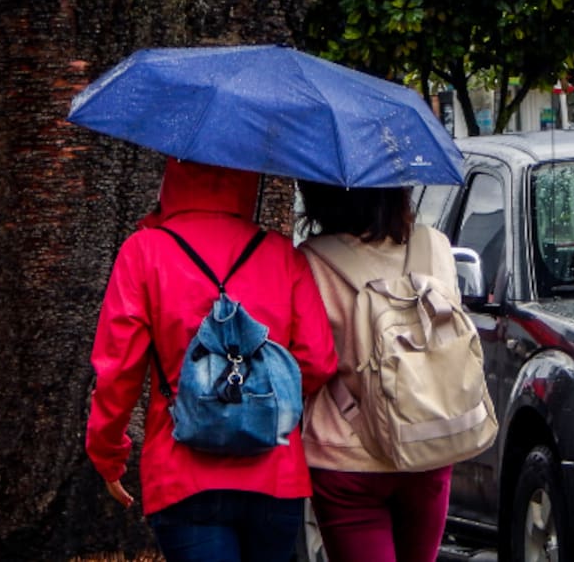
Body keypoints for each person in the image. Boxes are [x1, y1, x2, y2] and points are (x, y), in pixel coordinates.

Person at [85, 158, 337, 562]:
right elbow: (318, 359)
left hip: (182, 472)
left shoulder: (145, 252)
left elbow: (118, 370)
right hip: (274, 473)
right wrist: (259, 399)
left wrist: (108, 452)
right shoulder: (280, 254)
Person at [296, 181, 459, 562]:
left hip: (347, 455)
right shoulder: (434, 247)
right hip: (429, 442)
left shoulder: (311, 260)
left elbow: (312, 360)